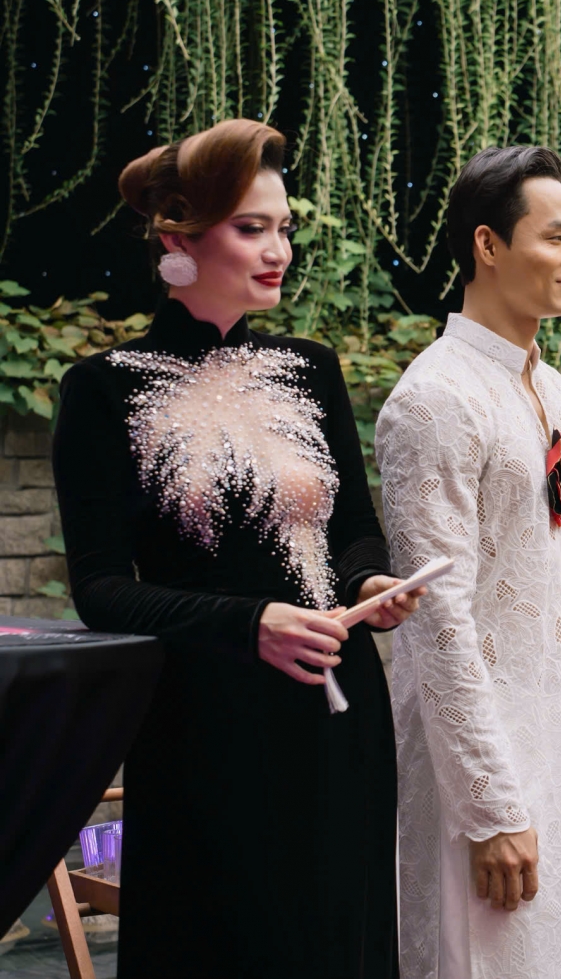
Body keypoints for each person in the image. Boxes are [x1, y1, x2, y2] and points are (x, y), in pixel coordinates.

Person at [52, 120, 423, 977]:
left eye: (284, 227)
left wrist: (371, 579)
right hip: (206, 724)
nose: (278, 250)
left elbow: (350, 526)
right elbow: (101, 588)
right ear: (178, 240)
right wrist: (249, 622)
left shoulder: (312, 368)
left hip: (339, 713)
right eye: (251, 228)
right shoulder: (102, 389)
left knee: (345, 935)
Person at [375, 146, 561, 979]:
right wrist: (488, 807)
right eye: (555, 237)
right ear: (488, 245)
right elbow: (437, 620)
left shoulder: (560, 394)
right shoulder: (433, 400)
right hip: (489, 761)